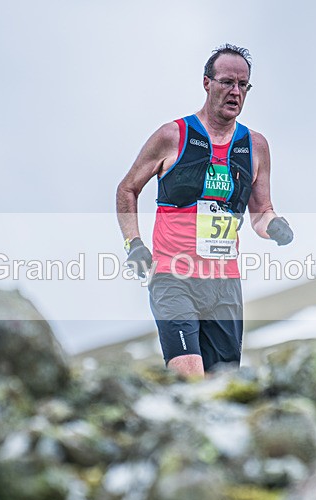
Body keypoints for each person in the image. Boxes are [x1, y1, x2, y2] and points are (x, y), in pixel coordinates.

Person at [116, 44, 293, 378]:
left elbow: (261, 212)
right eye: (227, 82)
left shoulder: (255, 147)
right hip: (173, 275)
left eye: (243, 85)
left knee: (221, 386)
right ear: (207, 83)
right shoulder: (173, 136)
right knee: (191, 377)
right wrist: (134, 244)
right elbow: (127, 188)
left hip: (224, 285)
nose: (235, 92)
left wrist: (276, 226)